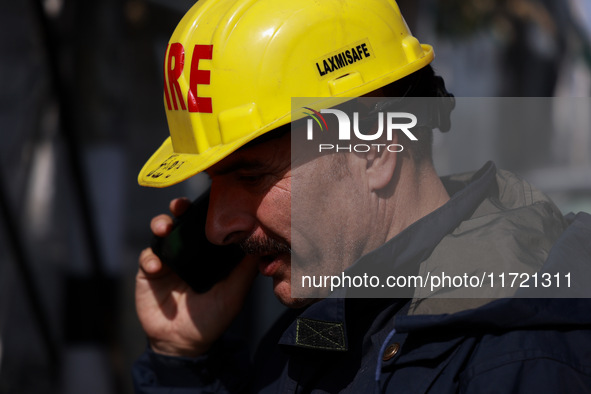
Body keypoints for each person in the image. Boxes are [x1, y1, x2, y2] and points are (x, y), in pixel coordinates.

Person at [133, 0, 591, 392]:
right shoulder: (328, 318)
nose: (216, 227)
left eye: (251, 176)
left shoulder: (517, 355)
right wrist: (184, 358)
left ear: (374, 151)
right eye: (213, 182)